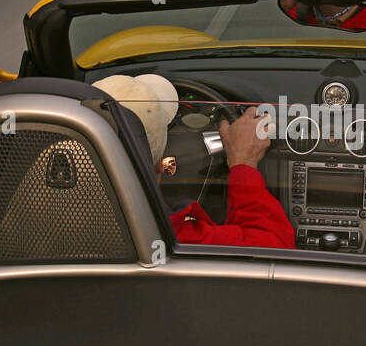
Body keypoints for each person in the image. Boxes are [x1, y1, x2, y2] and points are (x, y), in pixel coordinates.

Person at [92, 74, 295, 249]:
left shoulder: (68, 221)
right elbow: (276, 249)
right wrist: (243, 161)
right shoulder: (173, 239)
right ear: (159, 168)